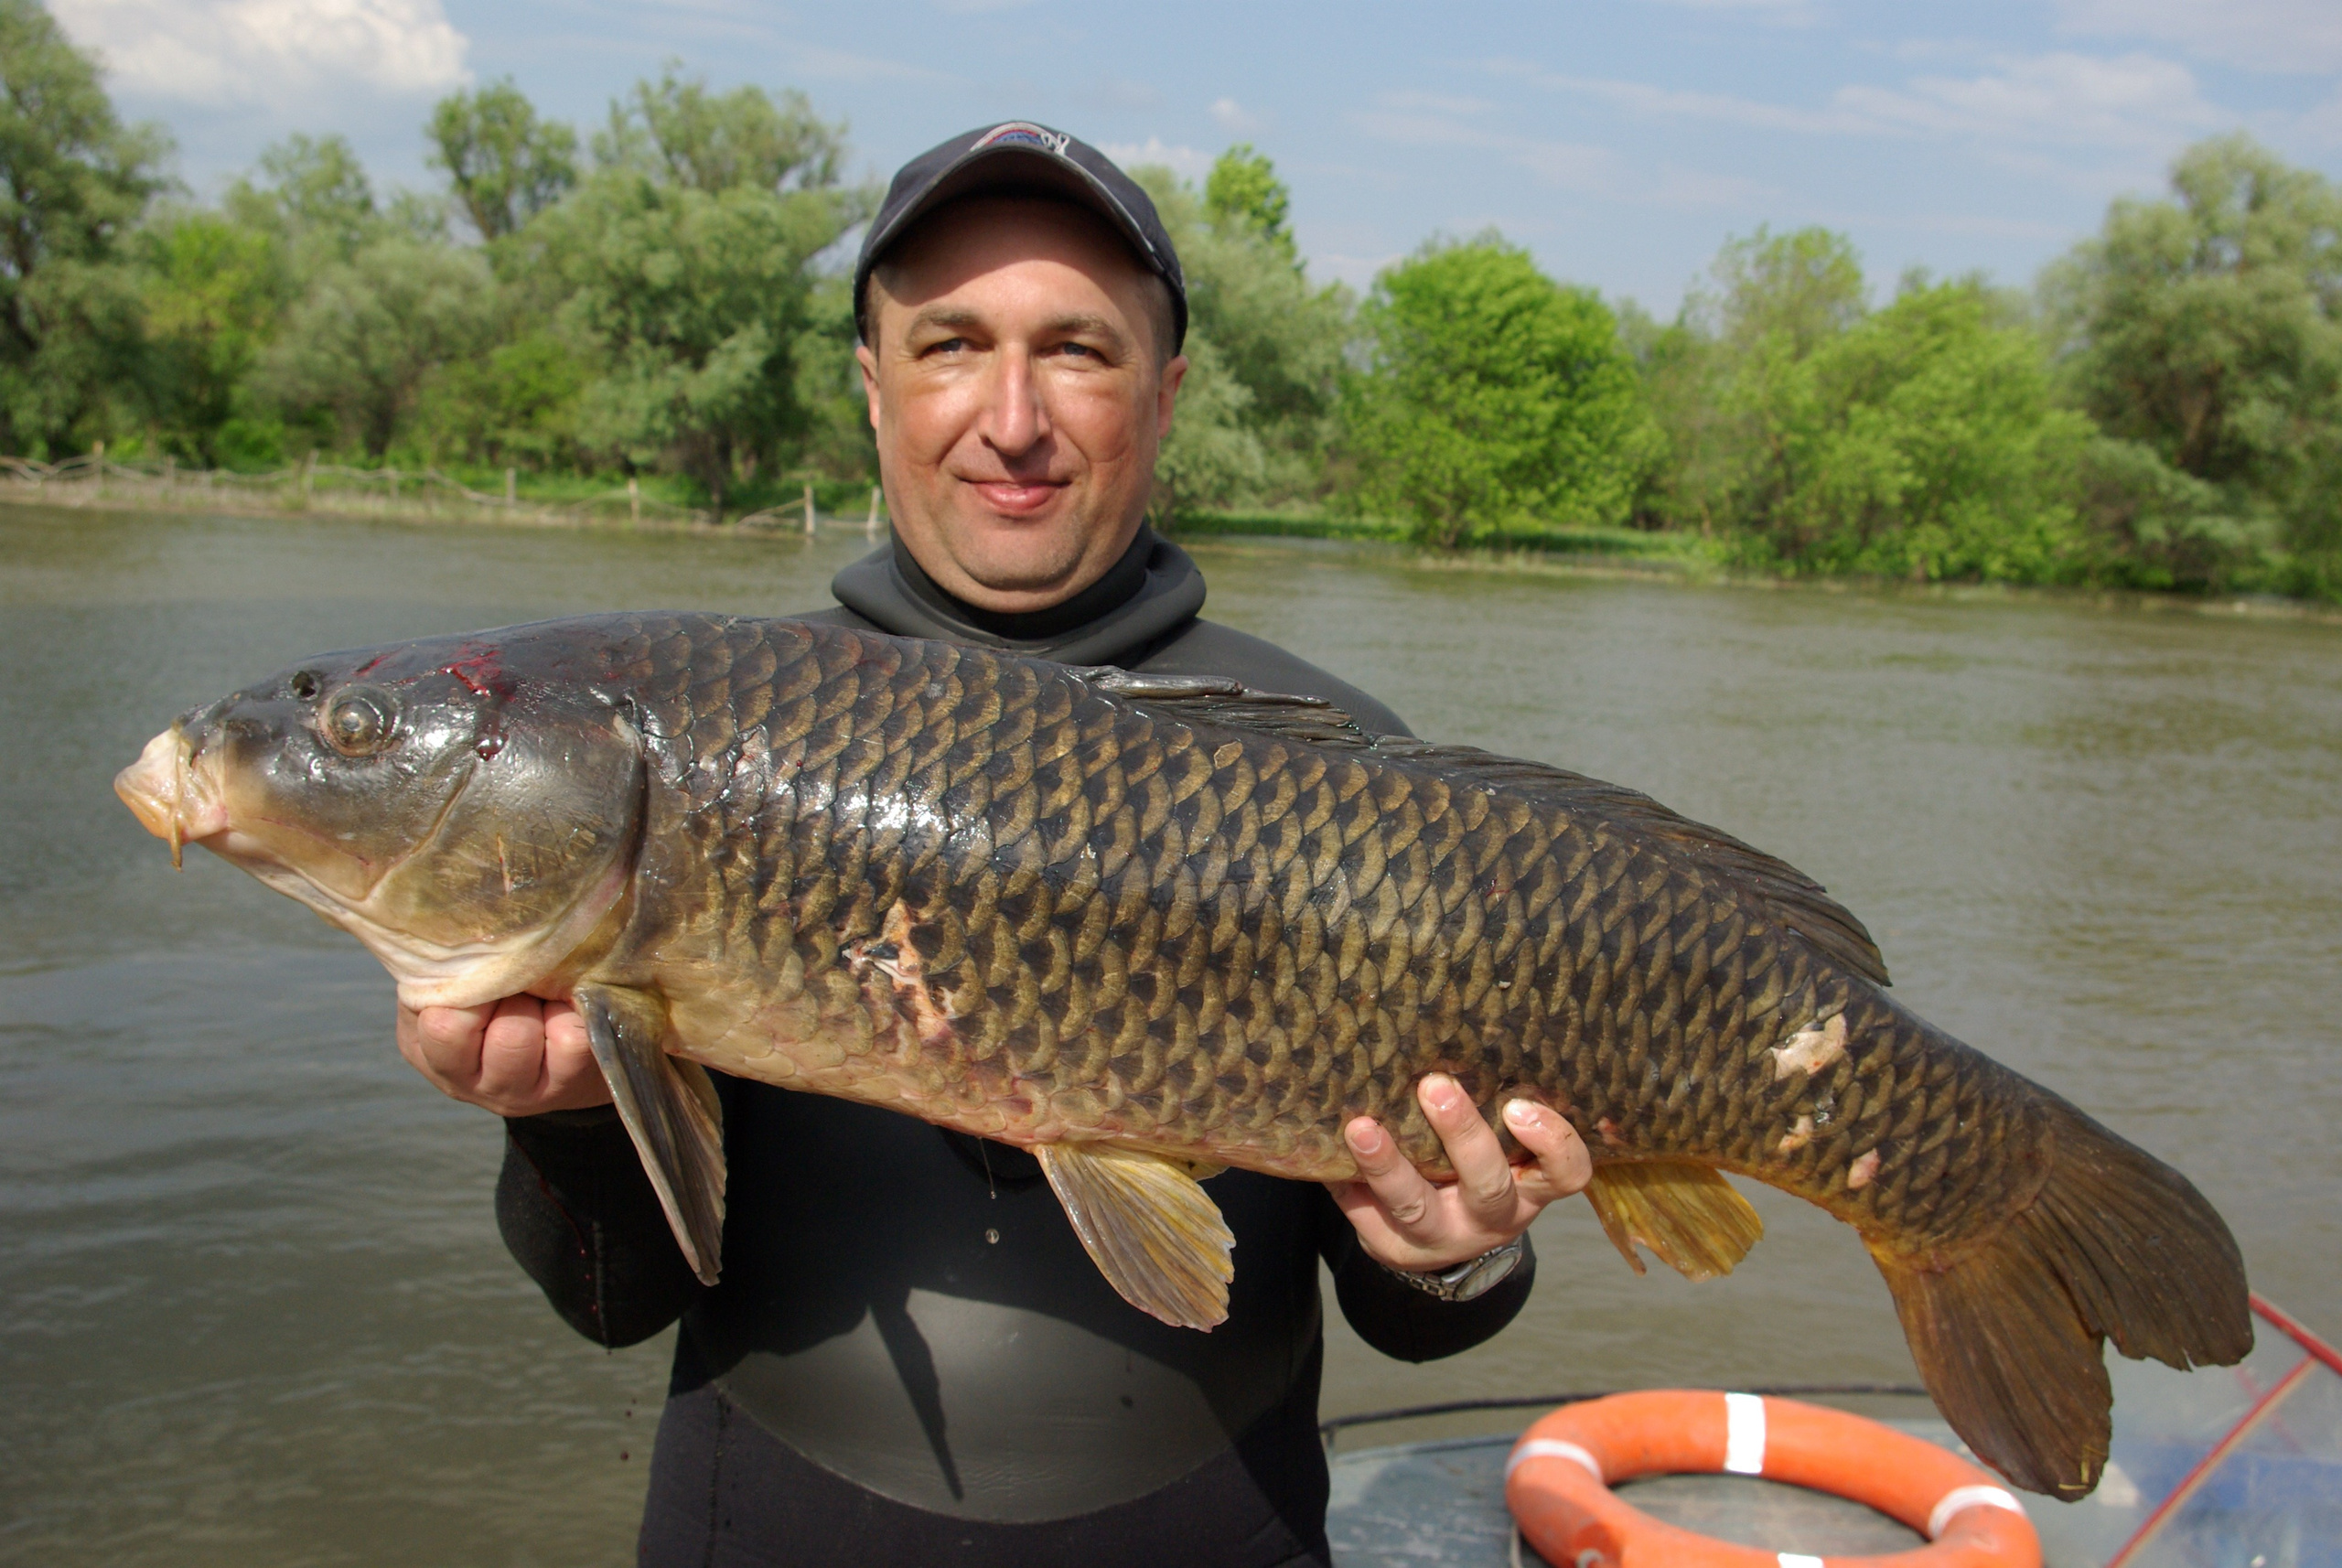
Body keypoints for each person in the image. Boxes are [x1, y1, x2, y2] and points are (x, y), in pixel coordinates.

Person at [397, 123, 1591, 1568]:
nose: (1010, 417)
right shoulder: (711, 734)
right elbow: (610, 1301)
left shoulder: (1333, 765)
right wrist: (567, 1117)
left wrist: (1460, 1249)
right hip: (763, 1526)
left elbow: (1410, 1321)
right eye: (952, 343)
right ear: (874, 385)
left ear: (1166, 391)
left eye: (1077, 350)